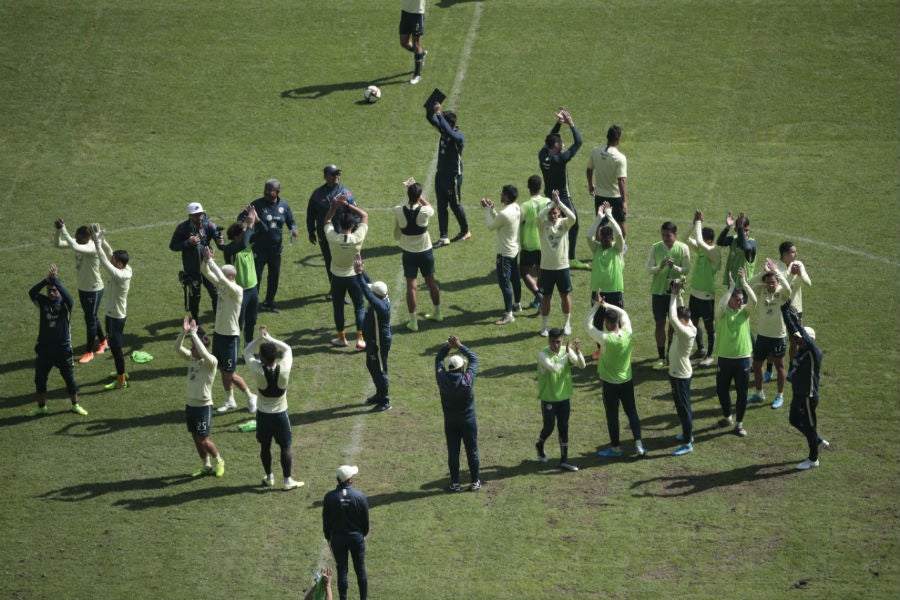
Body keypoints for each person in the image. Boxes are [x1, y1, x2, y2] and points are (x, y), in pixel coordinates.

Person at [243, 326, 303, 490]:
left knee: (265, 446)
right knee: (285, 447)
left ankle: (269, 477)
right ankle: (287, 481)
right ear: (274, 356)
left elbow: (247, 352)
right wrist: (269, 338)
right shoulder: (284, 368)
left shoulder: (257, 369)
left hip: (263, 415)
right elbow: (288, 349)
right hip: (280, 415)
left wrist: (259, 338)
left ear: (261, 357)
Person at [200, 248, 257, 414]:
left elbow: (219, 276)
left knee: (230, 373)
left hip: (231, 337)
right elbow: (205, 272)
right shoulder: (223, 286)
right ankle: (230, 400)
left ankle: (250, 396)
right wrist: (205, 260)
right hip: (218, 334)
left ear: (231, 277)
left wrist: (211, 261)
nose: (220, 278)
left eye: (223, 275)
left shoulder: (237, 291)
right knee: (223, 370)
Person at [585, 298, 645, 457]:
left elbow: (587, 324)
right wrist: (607, 305)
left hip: (610, 384)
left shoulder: (605, 339)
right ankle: (638, 444)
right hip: (627, 381)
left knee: (612, 415)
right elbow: (624, 312)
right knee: (632, 412)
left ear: (607, 323)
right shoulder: (628, 332)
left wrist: (597, 305)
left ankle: (616, 448)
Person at [27, 265, 88, 416]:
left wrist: (55, 280)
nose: (52, 292)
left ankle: (75, 405)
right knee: (40, 379)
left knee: (70, 380)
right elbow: (31, 292)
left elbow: (70, 298)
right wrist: (45, 281)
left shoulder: (65, 304)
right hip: (44, 349)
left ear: (59, 290)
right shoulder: (43, 302)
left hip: (63, 349)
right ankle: (41, 407)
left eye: (54, 290)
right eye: (49, 290)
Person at [174, 315, 225, 477]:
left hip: (203, 406)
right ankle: (206, 465)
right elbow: (177, 348)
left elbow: (203, 352)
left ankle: (219, 461)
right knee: (196, 437)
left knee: (203, 439)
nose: (191, 349)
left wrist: (194, 334)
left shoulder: (211, 362)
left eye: (194, 347)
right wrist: (184, 333)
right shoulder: (192, 359)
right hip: (190, 405)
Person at [54, 219, 110, 364]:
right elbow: (58, 244)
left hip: (94, 289)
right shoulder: (80, 243)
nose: (77, 240)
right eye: (76, 237)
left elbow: (74, 246)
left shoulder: (91, 248)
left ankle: (89, 352)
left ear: (87, 238)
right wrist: (58, 230)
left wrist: (64, 228)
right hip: (83, 288)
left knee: (90, 319)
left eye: (80, 238)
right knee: (91, 316)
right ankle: (104, 342)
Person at [238, 179, 298, 314]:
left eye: (270, 189)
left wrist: (293, 229)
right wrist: (242, 227)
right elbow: (241, 217)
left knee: (274, 277)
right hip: (258, 249)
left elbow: (291, 221)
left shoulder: (284, 206)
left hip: (276, 250)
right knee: (256, 279)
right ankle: (252, 307)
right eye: (265, 188)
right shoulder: (256, 204)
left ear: (277, 192)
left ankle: (269, 302)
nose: (266, 192)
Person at [782, 305, 828, 470]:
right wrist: (784, 310)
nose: (798, 339)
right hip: (798, 394)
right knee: (793, 420)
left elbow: (802, 334)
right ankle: (817, 439)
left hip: (808, 397)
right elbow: (792, 330)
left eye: (802, 338)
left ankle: (813, 458)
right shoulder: (802, 348)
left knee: (809, 426)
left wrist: (798, 321)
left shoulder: (814, 352)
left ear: (810, 339)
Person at [539, 107, 585, 268]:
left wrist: (558, 124)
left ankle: (548, 252)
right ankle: (570, 257)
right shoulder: (561, 159)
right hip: (563, 196)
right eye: (560, 142)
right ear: (556, 146)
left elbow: (548, 141)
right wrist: (571, 124)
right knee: (574, 223)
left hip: (548, 196)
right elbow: (579, 142)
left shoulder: (543, 155)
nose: (563, 143)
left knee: (550, 223)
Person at [714, 269, 757, 437]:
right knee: (721, 390)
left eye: (741, 300)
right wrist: (731, 288)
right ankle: (727, 417)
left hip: (743, 359)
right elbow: (720, 305)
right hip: (725, 358)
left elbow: (754, 300)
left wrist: (745, 283)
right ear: (730, 300)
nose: (741, 303)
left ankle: (739, 423)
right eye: (737, 300)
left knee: (742, 392)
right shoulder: (722, 314)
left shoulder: (745, 312)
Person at [393, 180, 441, 331]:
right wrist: (419, 196)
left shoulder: (398, 210)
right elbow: (429, 207)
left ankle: (413, 322)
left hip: (409, 254)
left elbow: (397, 231)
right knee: (431, 281)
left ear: (407, 194)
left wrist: (412, 191)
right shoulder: (425, 211)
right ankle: (438, 313)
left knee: (411, 287)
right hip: (426, 252)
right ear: (419, 196)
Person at [535, 328, 585, 471]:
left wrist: (578, 351)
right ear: (548, 340)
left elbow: (582, 365)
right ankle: (540, 445)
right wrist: (567, 354)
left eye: (558, 342)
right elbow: (554, 368)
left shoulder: (566, 350)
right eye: (552, 342)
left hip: (564, 398)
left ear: (562, 340)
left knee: (564, 427)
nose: (555, 345)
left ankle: (564, 460)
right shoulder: (542, 355)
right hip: (549, 399)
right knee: (549, 427)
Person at [435, 335, 481, 491]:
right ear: (462, 368)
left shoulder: (442, 380)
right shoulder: (467, 380)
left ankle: (455, 483)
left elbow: (438, 360)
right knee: (472, 451)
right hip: (468, 422)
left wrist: (447, 346)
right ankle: (475, 482)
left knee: (453, 453)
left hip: (451, 422)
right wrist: (459, 345)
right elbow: (474, 359)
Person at [169, 202, 224, 329]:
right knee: (195, 296)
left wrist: (221, 242)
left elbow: (219, 242)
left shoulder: (209, 224)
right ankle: (196, 322)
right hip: (192, 268)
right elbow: (173, 246)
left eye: (200, 214)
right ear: (190, 216)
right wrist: (188, 242)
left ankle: (219, 319)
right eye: (196, 215)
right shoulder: (182, 228)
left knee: (215, 293)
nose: (199, 217)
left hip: (208, 267)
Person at [747, 259, 793, 409]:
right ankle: (759, 393)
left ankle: (779, 396)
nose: (771, 285)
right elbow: (747, 283)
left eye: (773, 282)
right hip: (763, 335)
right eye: (768, 282)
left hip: (778, 336)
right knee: (757, 363)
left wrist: (777, 272)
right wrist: (763, 273)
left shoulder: (782, 293)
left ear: (777, 281)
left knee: (779, 366)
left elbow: (788, 288)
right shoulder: (761, 290)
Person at [307, 165, 358, 302]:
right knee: (329, 262)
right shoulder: (317, 195)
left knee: (344, 263)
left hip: (343, 236)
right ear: (325, 176)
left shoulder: (346, 194)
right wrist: (311, 231)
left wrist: (355, 231)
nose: (336, 176)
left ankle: (344, 290)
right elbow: (310, 214)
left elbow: (355, 214)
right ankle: (335, 289)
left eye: (338, 174)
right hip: (325, 235)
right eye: (333, 174)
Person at [324, 197, 369, 350]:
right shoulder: (357, 238)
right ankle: (360, 339)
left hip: (337, 278)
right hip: (354, 277)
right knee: (359, 306)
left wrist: (335, 206)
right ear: (352, 225)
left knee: (338, 308)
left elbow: (327, 220)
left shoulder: (332, 237)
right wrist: (347, 205)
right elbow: (364, 216)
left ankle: (342, 338)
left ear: (340, 224)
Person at [92, 226, 133, 391]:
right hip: (118, 315)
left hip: (114, 317)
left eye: (114, 260)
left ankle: (121, 379)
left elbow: (103, 259)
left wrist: (96, 242)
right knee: (117, 347)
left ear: (119, 264)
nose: (111, 260)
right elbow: (110, 254)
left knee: (116, 349)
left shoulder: (119, 274)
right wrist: (101, 237)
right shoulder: (126, 268)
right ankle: (121, 372)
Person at [647, 221, 691, 370]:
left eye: (668, 235)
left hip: (676, 293)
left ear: (675, 235)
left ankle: (670, 354)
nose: (665, 238)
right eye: (663, 234)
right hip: (659, 292)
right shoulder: (655, 247)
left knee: (674, 324)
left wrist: (675, 267)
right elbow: (649, 269)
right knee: (659, 324)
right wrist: (660, 266)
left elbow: (687, 269)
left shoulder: (683, 248)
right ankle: (661, 357)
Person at [585, 201, 625, 360]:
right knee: (597, 322)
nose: (603, 242)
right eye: (601, 239)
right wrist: (599, 217)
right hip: (597, 292)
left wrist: (610, 216)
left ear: (611, 238)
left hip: (615, 291)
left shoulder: (617, 248)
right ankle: (600, 348)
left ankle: (619, 346)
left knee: (617, 322)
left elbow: (620, 234)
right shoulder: (597, 248)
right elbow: (589, 235)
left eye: (606, 239)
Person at [426, 101, 469, 247]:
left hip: (453, 177)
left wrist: (439, 114)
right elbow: (429, 118)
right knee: (441, 205)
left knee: (455, 205)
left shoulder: (458, 137)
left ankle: (465, 231)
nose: (440, 124)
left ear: (449, 124)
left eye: (442, 121)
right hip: (441, 175)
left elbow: (449, 132)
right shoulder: (444, 130)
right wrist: (430, 109)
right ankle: (444, 237)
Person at [323, 465, 369, 600]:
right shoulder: (360, 496)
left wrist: (328, 537)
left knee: (342, 571)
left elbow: (326, 521)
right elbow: (365, 522)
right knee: (360, 570)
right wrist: (363, 535)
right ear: (349, 480)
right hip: (356, 538)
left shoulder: (329, 497)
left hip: (338, 539)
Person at [537, 190, 577, 337]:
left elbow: (573, 217)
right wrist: (551, 204)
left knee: (564, 296)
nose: (552, 216)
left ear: (559, 213)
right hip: (546, 268)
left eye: (555, 213)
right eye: (550, 213)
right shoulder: (542, 225)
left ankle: (567, 324)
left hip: (562, 267)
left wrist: (559, 203)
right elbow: (538, 216)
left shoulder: (564, 223)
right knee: (546, 297)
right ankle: (544, 326)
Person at [355, 255, 392, 412]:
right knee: (371, 365)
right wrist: (362, 271)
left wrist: (357, 274)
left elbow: (366, 290)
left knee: (380, 369)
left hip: (378, 343)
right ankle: (379, 393)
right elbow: (369, 285)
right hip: (373, 341)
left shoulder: (380, 306)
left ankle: (385, 400)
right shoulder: (381, 297)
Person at [482, 184, 522, 325]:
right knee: (515, 279)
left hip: (504, 253)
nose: (501, 195)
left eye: (502, 193)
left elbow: (491, 226)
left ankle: (509, 314)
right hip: (514, 249)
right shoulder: (516, 207)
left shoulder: (505, 213)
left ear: (506, 196)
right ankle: (517, 304)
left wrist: (487, 211)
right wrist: (493, 209)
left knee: (505, 283)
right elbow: (501, 221)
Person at [686, 209, 721, 367]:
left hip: (706, 297)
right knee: (692, 324)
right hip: (694, 294)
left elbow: (699, 242)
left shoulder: (714, 253)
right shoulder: (702, 248)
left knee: (709, 326)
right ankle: (700, 349)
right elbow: (685, 238)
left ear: (709, 241)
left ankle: (709, 355)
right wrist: (694, 224)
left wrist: (699, 221)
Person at [666, 282, 697, 455]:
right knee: (682, 406)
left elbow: (672, 317)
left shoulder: (685, 332)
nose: (676, 322)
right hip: (680, 373)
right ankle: (688, 434)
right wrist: (678, 296)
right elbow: (680, 311)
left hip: (679, 375)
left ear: (683, 321)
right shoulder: (689, 325)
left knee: (683, 409)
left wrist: (672, 296)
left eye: (680, 320)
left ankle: (687, 443)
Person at [223, 206, 259, 347]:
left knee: (252, 321)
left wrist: (257, 219)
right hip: (240, 291)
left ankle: (247, 349)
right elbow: (244, 242)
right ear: (237, 237)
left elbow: (265, 232)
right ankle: (233, 350)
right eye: (243, 233)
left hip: (253, 289)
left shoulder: (243, 244)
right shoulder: (232, 249)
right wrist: (250, 224)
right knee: (238, 323)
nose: (246, 234)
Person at [777, 241, 813, 378]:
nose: (796, 254)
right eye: (793, 252)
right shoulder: (777, 267)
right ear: (784, 254)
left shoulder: (799, 264)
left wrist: (800, 274)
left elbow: (808, 283)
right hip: (779, 309)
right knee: (777, 340)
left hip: (795, 309)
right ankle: (769, 368)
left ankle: (792, 367)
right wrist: (790, 274)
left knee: (795, 340)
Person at [586, 125, 628, 238]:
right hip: (615, 196)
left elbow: (589, 169)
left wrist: (590, 185)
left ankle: (600, 250)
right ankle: (621, 249)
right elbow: (621, 181)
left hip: (600, 195)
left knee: (600, 224)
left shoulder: (596, 151)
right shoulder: (620, 158)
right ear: (618, 139)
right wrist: (624, 201)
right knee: (620, 223)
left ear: (607, 137)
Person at [519, 175, 550, 309]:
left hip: (529, 244)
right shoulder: (548, 201)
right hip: (544, 244)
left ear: (528, 187)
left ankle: (538, 295)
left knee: (524, 272)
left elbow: (517, 222)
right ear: (541, 186)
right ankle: (539, 300)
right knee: (540, 272)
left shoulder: (524, 206)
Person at [717, 211, 757, 299]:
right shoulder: (733, 240)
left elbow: (745, 247)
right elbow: (720, 242)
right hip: (732, 284)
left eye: (746, 230)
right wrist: (727, 227)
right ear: (736, 230)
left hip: (744, 286)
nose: (745, 233)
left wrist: (740, 227)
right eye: (743, 230)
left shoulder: (752, 243)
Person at [399, 0, 428, 85]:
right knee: (404, 42)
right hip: (405, 12)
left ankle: (417, 74)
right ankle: (421, 55)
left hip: (417, 14)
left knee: (416, 43)